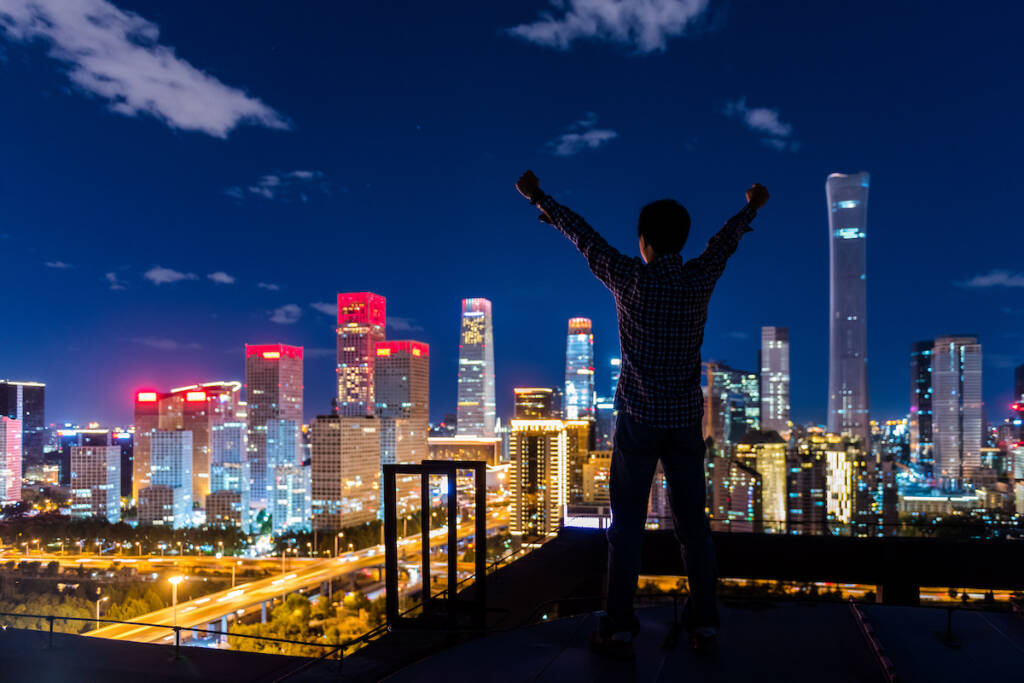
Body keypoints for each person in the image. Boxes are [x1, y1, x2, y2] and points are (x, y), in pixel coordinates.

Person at [514, 170, 769, 659]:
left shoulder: (629, 278)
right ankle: (706, 622)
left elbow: (584, 238)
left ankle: (620, 623)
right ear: (681, 240)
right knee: (692, 526)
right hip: (684, 421)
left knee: (626, 525)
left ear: (644, 242)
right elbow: (725, 243)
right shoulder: (699, 279)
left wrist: (540, 198)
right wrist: (751, 207)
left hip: (636, 420)